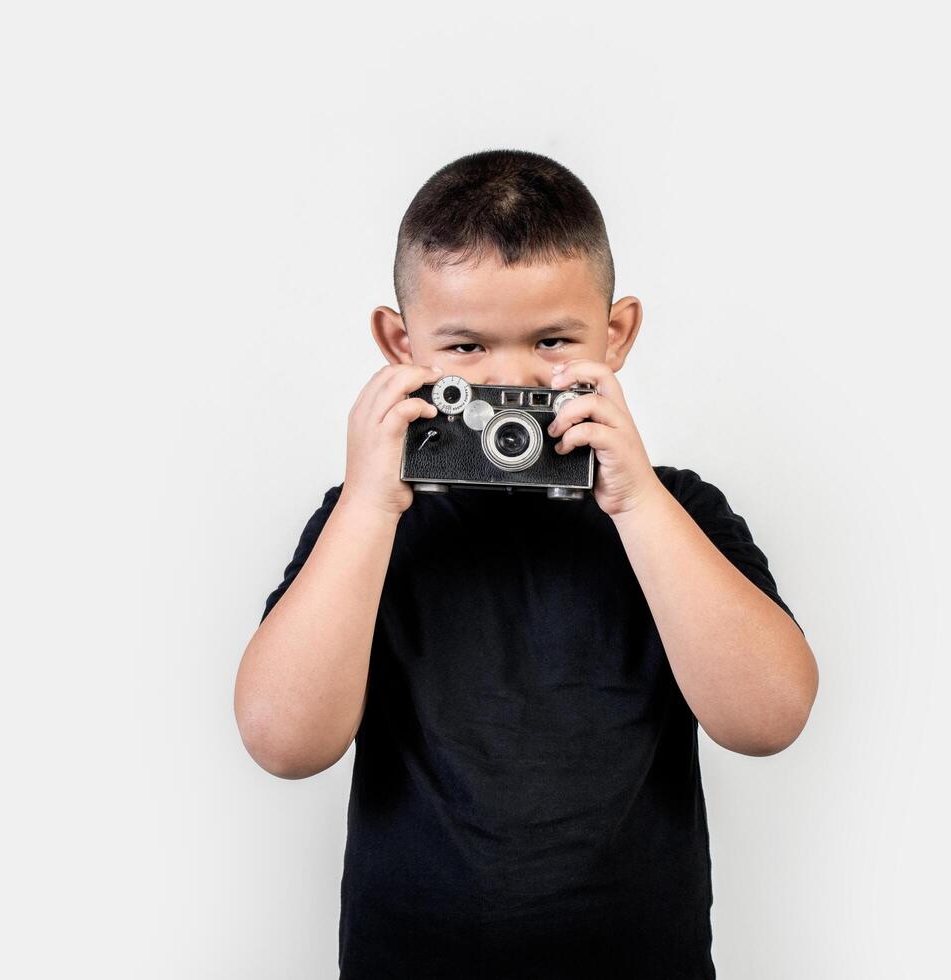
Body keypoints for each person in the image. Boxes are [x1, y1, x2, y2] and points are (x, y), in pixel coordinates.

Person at [233, 149, 819, 979]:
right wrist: (369, 504)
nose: (509, 382)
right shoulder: (366, 521)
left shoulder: (674, 511)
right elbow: (283, 743)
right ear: (400, 344)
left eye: (551, 340)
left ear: (614, 336)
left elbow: (767, 721)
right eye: (465, 348)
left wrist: (639, 504)